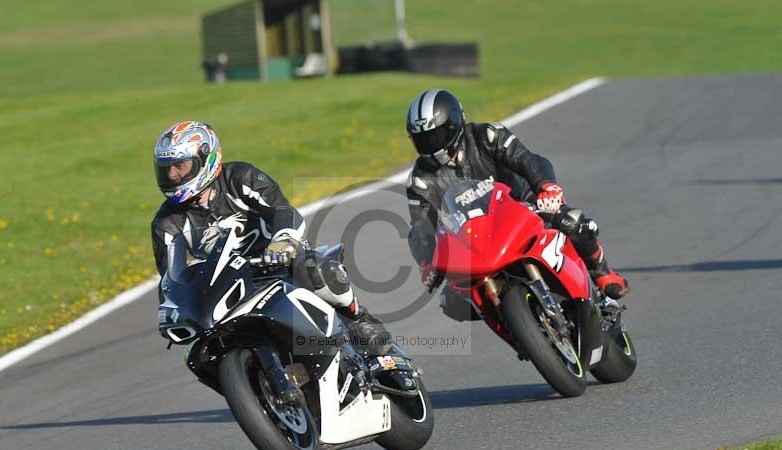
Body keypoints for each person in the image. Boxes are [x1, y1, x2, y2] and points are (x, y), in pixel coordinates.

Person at [150, 120, 390, 355]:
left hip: (275, 263)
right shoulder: (165, 223)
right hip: (227, 286)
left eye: (180, 165)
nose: (171, 175)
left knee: (312, 268)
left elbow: (283, 210)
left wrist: (282, 240)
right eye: (165, 168)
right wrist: (171, 311)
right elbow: (171, 279)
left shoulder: (239, 177)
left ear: (207, 159)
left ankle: (359, 318)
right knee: (201, 353)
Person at [404, 89, 628, 320]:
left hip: (524, 206)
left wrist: (546, 187)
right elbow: (421, 225)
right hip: (475, 238)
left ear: (453, 123)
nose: (431, 144)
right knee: (452, 301)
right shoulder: (421, 179)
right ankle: (514, 323)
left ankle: (601, 274)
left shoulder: (487, 135)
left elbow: (528, 160)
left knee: (573, 223)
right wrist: (427, 259)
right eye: (423, 139)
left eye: (436, 135)